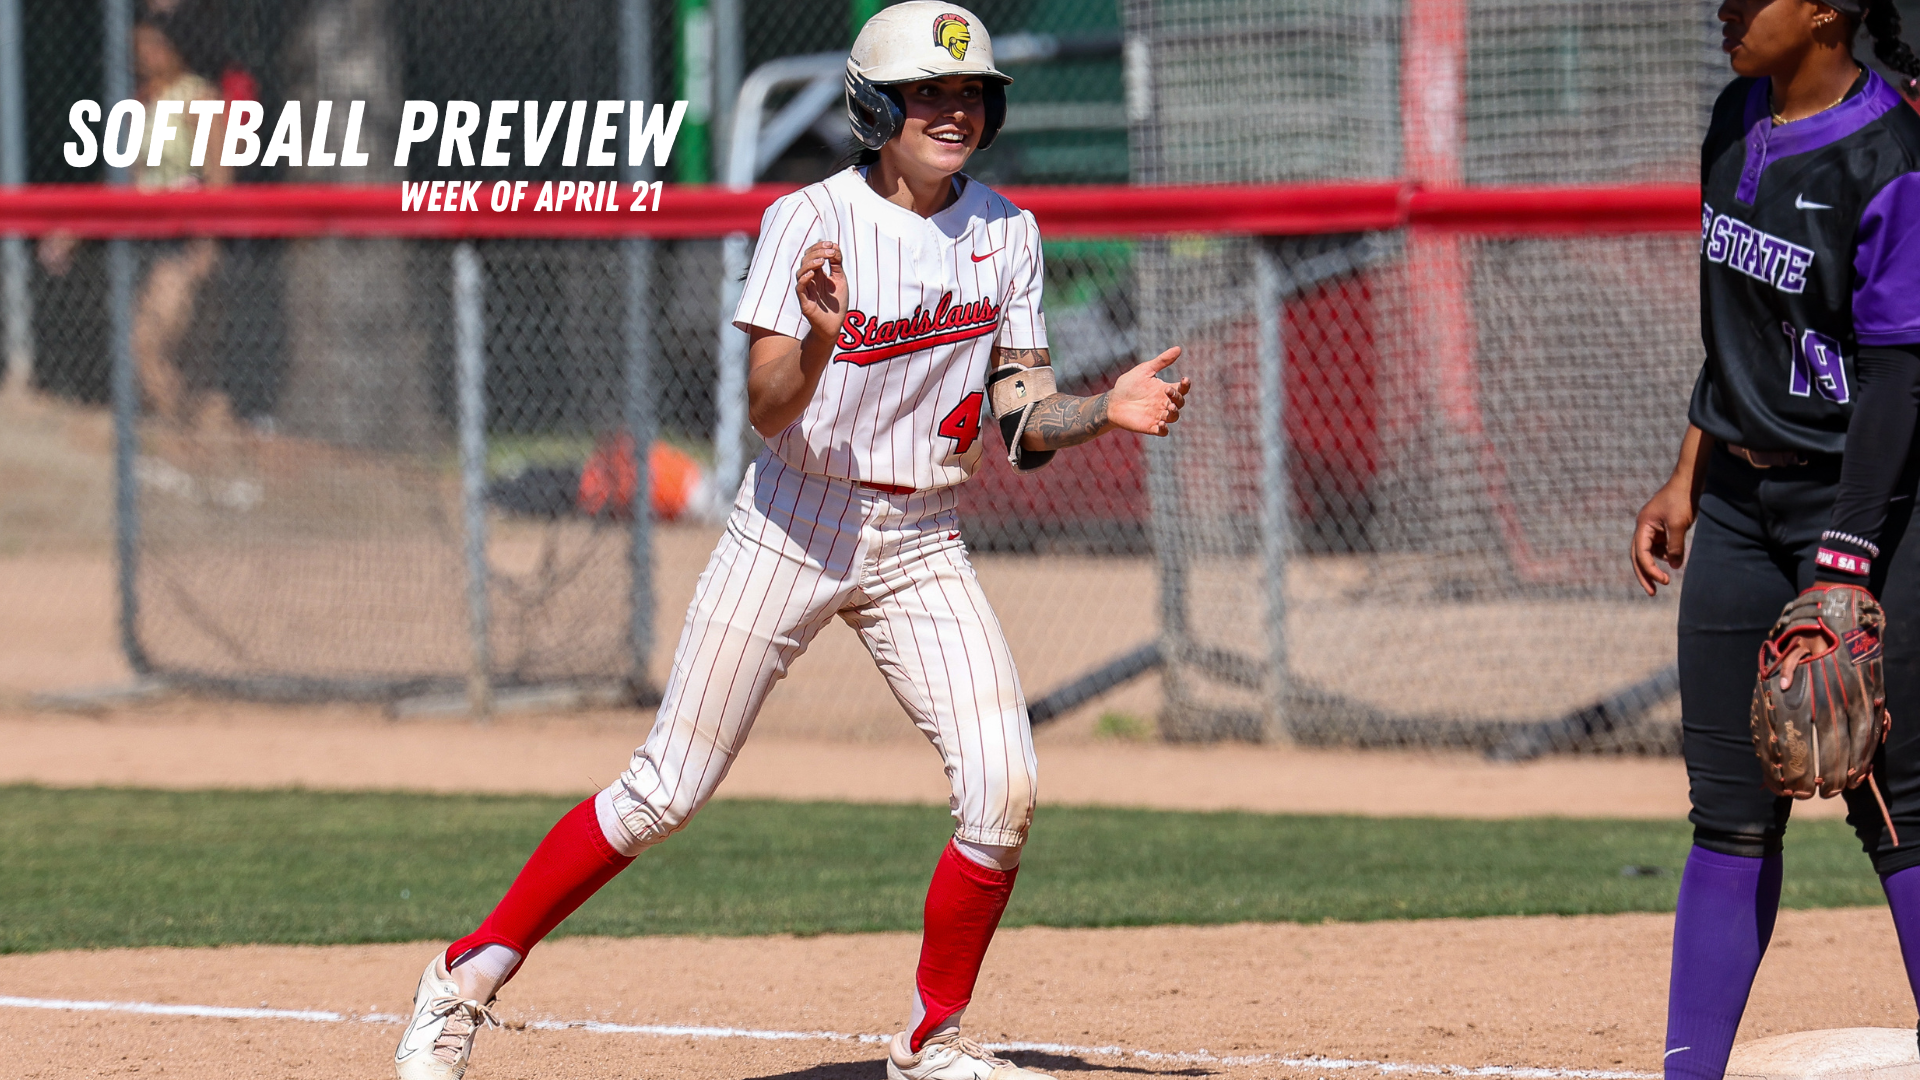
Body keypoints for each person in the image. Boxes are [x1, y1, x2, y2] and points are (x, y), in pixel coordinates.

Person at [392, 5, 1192, 1080]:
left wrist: (1103, 411)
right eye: (928, 93)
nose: (954, 111)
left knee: (1004, 788)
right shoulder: (808, 220)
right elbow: (770, 409)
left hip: (922, 536)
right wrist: (818, 341)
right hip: (793, 524)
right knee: (664, 790)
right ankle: (460, 982)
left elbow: (1021, 417)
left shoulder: (1008, 231)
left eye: (970, 94)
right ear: (875, 108)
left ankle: (931, 1043)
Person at [1631, 2, 1920, 1078]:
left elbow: (1899, 376)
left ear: (1827, 12)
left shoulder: (1891, 157)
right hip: (1739, 508)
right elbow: (1736, 335)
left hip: (1865, 504)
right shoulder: (1734, 117)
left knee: (1899, 808)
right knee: (1729, 810)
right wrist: (1688, 474)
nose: (1727, 8)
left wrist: (1848, 554)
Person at [131, 11, 232, 429]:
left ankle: (183, 432)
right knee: (157, 352)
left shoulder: (199, 98)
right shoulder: (143, 102)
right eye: (139, 45)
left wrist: (206, 241)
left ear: (176, 48)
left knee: (147, 344)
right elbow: (131, 174)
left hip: (183, 238)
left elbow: (219, 174)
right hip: (142, 239)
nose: (145, 54)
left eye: (154, 45)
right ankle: (192, 428)